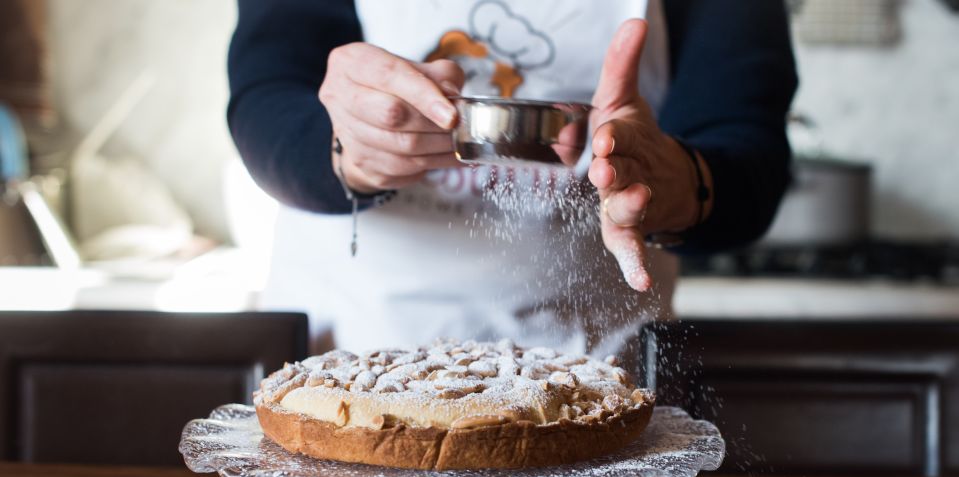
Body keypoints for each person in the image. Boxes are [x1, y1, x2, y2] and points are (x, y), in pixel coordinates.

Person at [228, 0, 797, 355]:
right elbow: (264, 98)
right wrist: (345, 150)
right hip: (353, 357)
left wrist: (670, 182)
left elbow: (749, 151)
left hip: (594, 376)